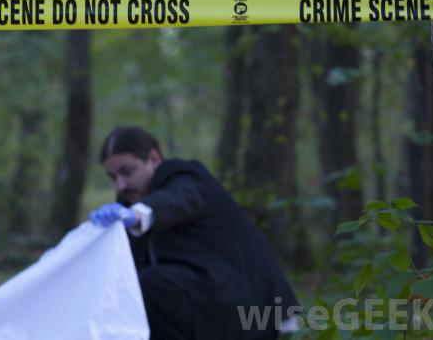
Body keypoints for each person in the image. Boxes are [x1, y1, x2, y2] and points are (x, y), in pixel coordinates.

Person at [89, 125, 298, 340]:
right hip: (214, 298)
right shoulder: (129, 204)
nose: (121, 185)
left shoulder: (185, 177)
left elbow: (179, 199)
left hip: (256, 307)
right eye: (112, 177)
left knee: (153, 286)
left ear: (153, 158)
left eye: (127, 171)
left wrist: (139, 215)